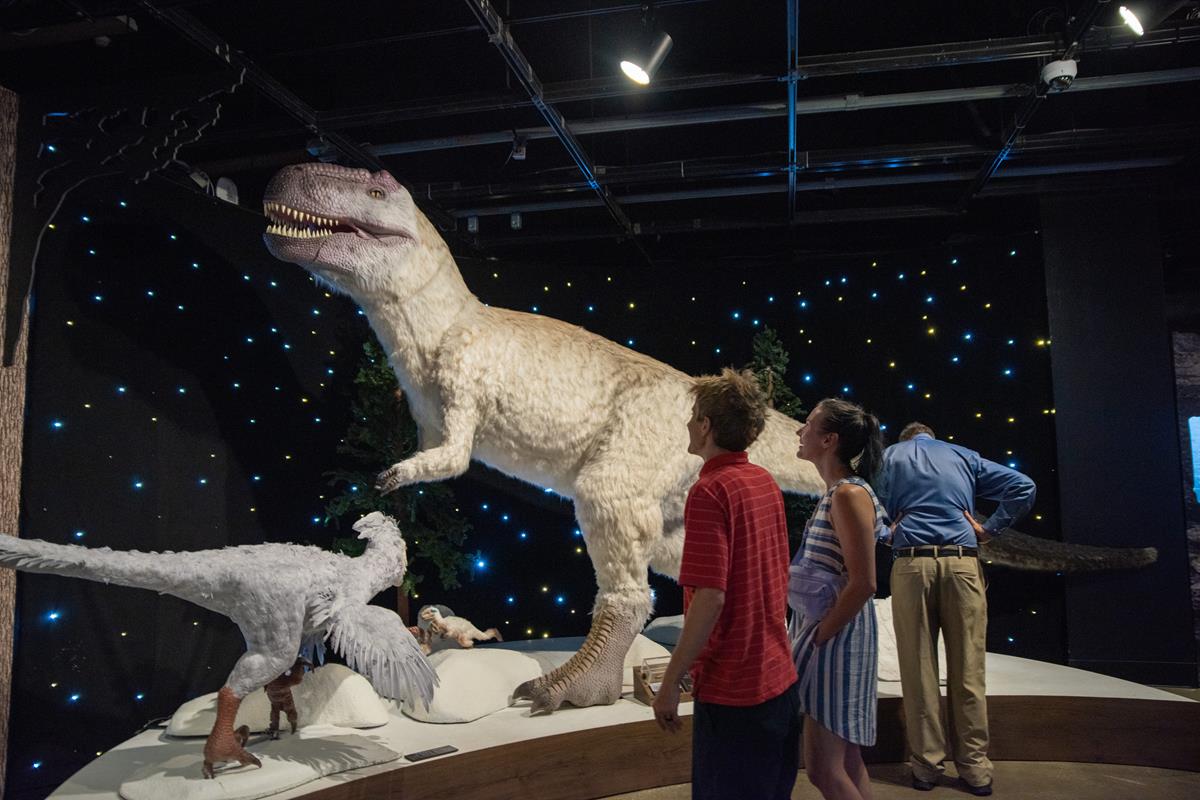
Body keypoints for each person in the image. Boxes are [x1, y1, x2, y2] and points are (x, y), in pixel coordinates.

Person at [653, 368, 799, 800]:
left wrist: (669, 684)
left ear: (705, 426)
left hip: (734, 695)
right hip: (779, 683)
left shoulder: (710, 491)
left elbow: (710, 598)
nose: (687, 423)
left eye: (694, 413)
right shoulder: (763, 481)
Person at [876, 422, 1036, 797]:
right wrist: (989, 529)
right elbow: (1024, 486)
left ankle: (926, 767)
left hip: (911, 564)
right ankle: (975, 768)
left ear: (906, 438)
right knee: (968, 668)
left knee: (918, 670)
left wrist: (885, 532)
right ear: (931, 436)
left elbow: (854, 495)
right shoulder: (963, 455)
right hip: (962, 562)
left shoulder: (888, 457)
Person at [790, 397, 886, 800]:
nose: (800, 430)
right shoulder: (836, 493)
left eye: (809, 424)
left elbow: (864, 582)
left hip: (837, 637)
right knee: (846, 763)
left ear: (829, 439)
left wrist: (821, 636)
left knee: (823, 770)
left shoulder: (848, 494)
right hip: (832, 632)